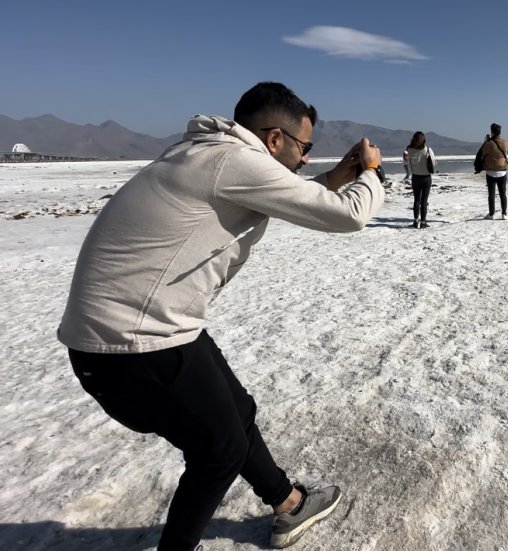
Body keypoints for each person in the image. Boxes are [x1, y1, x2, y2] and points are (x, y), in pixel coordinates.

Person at [58, 82, 386, 551]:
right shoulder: (233, 162)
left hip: (145, 329)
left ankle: (289, 503)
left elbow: (294, 193)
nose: (306, 159)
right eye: (303, 147)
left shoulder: (209, 153)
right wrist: (371, 172)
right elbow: (348, 216)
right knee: (220, 451)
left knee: (237, 411)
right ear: (274, 139)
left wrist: (339, 174)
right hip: (135, 342)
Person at [476, 122, 508, 220]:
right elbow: (504, 151)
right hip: (502, 170)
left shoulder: (488, 143)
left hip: (491, 172)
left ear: (492, 131)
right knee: (503, 193)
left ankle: (491, 214)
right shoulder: (505, 142)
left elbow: (483, 153)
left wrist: (487, 141)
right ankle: (504, 214)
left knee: (491, 194)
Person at [405, 131, 436, 228]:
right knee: (424, 200)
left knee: (416, 200)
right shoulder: (428, 150)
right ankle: (423, 222)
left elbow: (409, 164)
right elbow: (434, 163)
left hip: (415, 177)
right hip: (426, 177)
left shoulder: (410, 150)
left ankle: (415, 221)